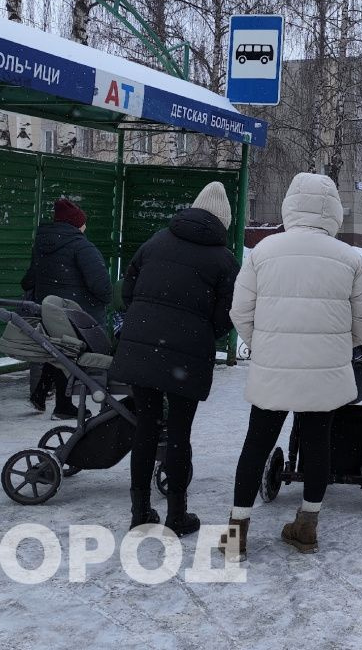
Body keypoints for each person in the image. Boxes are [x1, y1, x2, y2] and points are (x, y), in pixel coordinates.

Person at [223, 173, 362, 560]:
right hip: (324, 370)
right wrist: (342, 347)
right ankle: (306, 527)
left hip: (273, 366)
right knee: (316, 443)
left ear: (290, 204)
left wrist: (265, 344)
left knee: (256, 442)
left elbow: (240, 311)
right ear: (334, 211)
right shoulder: (350, 258)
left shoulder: (263, 252)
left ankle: (235, 533)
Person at [110, 182, 239, 536]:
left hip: (140, 347)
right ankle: (177, 514)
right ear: (223, 222)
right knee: (180, 432)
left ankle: (139, 512)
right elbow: (226, 315)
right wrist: (199, 334)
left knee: (146, 428)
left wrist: (145, 322)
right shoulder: (225, 260)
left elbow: (129, 290)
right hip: (187, 357)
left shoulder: (155, 242)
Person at [21, 198, 112, 419]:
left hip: (49, 311)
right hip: (77, 313)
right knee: (70, 353)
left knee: (59, 352)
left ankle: (41, 394)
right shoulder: (82, 247)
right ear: (76, 224)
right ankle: (63, 406)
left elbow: (28, 281)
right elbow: (102, 288)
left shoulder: (42, 245)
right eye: (83, 223)